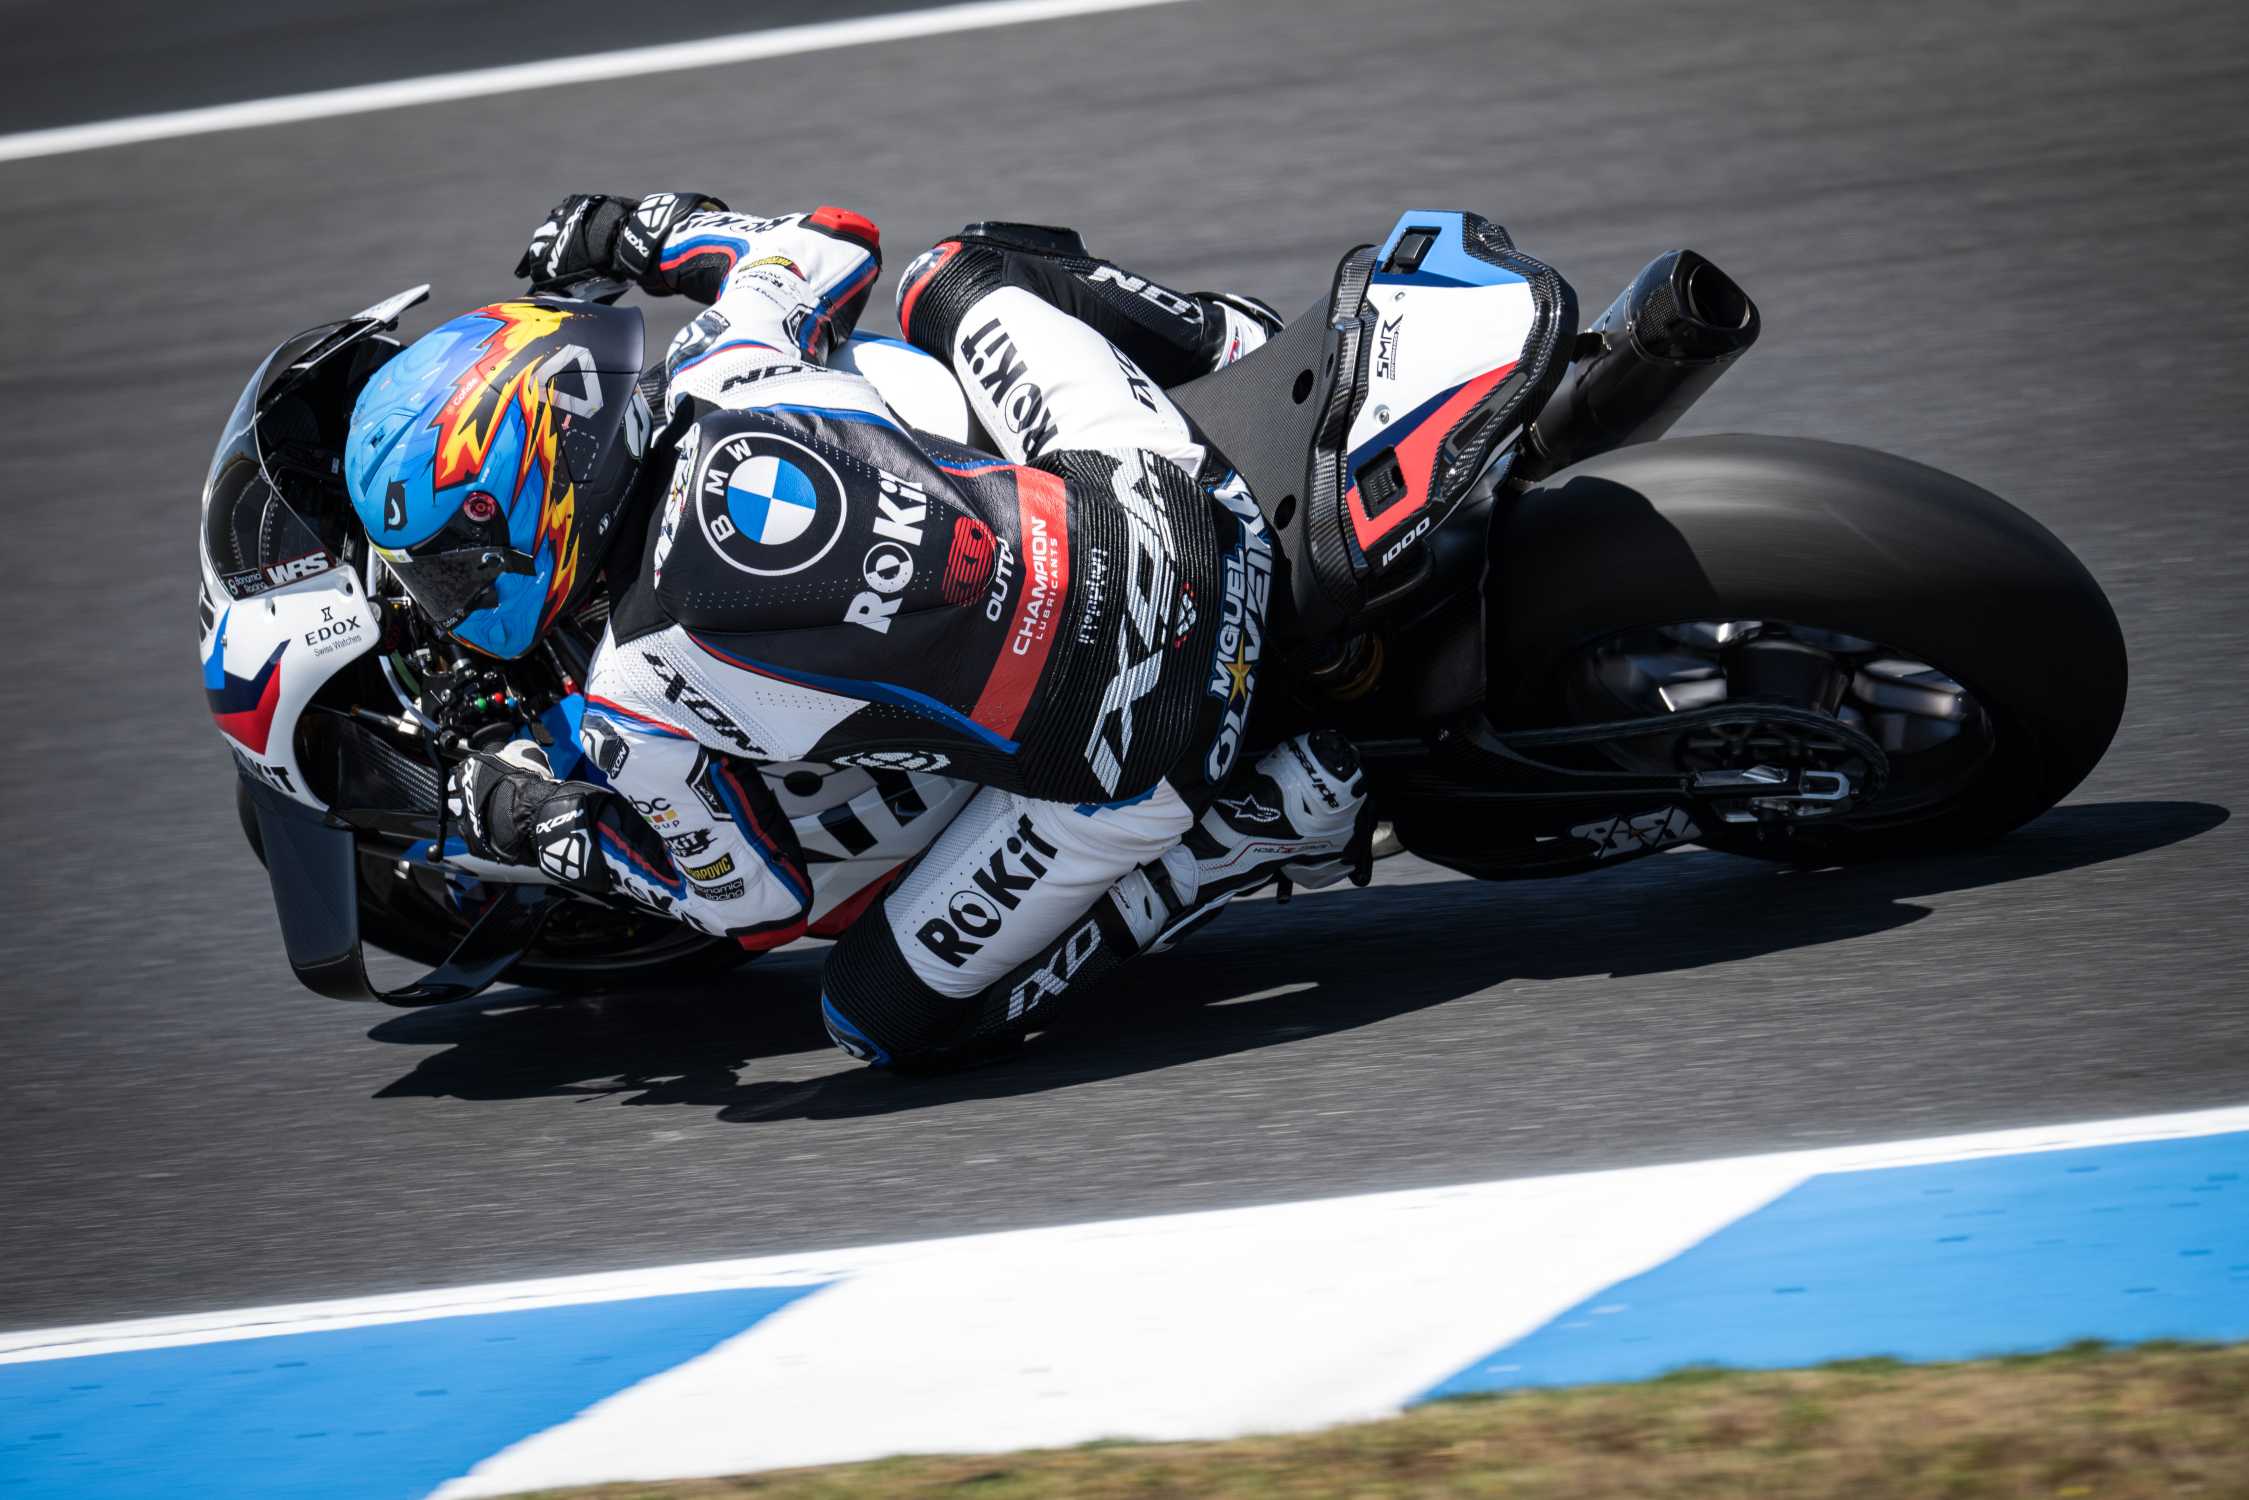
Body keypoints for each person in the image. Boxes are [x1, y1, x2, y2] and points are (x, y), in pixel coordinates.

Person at [346, 191, 1369, 1068]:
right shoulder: (727, 360)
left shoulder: (631, 697)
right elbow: (834, 238)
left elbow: (751, 906)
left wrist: (541, 823)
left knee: (875, 1019)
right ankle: (1234, 347)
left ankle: (1237, 841)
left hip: (1151, 749)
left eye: (452, 564)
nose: (447, 597)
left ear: (533, 492)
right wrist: (635, 231)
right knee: (953, 273)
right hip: (1184, 506)